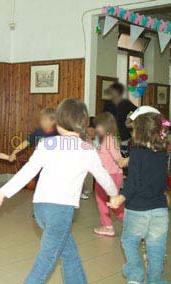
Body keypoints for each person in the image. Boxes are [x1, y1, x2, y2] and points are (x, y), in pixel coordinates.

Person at [0, 99, 118, 284]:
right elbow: (104, 177)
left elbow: (27, 172)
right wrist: (114, 194)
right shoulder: (87, 149)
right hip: (61, 211)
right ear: (83, 122)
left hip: (40, 209)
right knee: (46, 261)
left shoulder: (47, 144)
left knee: (68, 252)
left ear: (58, 120)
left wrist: (2, 192)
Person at [109, 112, 169, 284]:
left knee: (129, 241)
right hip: (160, 211)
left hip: (137, 210)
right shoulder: (162, 153)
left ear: (140, 132)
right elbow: (160, 181)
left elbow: (133, 182)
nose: (132, 134)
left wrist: (121, 197)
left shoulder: (136, 152)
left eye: (134, 130)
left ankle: (135, 275)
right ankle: (155, 280)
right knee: (156, 248)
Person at [92, 112, 127, 237]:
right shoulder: (113, 137)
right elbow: (105, 154)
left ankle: (108, 226)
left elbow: (116, 157)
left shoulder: (108, 139)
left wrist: (121, 161)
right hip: (115, 174)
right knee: (115, 201)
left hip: (107, 175)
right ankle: (129, 224)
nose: (96, 128)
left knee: (103, 201)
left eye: (98, 126)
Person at [102, 82, 137, 157]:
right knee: (115, 157)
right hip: (112, 133)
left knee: (122, 156)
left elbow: (138, 110)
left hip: (122, 133)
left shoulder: (125, 102)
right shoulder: (108, 102)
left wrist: (131, 118)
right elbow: (104, 117)